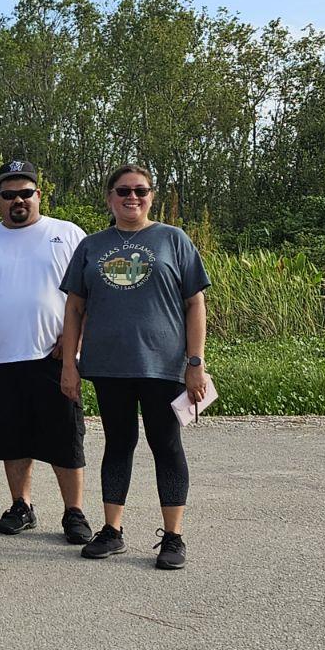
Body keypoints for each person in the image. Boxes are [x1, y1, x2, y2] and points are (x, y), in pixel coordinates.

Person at [59, 164, 211, 570]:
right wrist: (70, 364)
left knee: (166, 445)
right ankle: (112, 530)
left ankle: (173, 537)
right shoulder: (91, 245)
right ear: (109, 198)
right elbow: (74, 307)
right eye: (123, 191)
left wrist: (195, 363)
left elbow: (195, 303)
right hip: (109, 365)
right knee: (118, 443)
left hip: (163, 365)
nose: (132, 197)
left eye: (140, 191)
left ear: (151, 196)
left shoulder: (172, 240)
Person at [0, 160, 92, 544]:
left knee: (65, 437)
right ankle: (21, 505)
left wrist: (74, 341)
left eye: (25, 193)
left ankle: (74, 512)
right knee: (12, 439)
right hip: (1, 358)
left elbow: (87, 295)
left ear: (39, 195)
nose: (18, 200)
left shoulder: (68, 235)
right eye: (8, 194)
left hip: (54, 358)